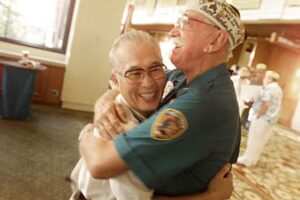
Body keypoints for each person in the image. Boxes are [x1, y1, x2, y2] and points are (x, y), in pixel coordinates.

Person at [80, 0, 245, 197]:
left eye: (185, 22)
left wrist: (86, 133)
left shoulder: (202, 103)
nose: (172, 32)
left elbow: (99, 164)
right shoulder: (185, 77)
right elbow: (137, 83)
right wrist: (103, 103)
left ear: (215, 41)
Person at [238, 70, 283, 167]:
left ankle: (247, 159)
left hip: (262, 117)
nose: (264, 79)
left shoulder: (270, 88)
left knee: (254, 138)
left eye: (266, 77)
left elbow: (265, 103)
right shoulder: (278, 89)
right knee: (260, 140)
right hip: (271, 119)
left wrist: (258, 114)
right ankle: (253, 160)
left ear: (270, 79)